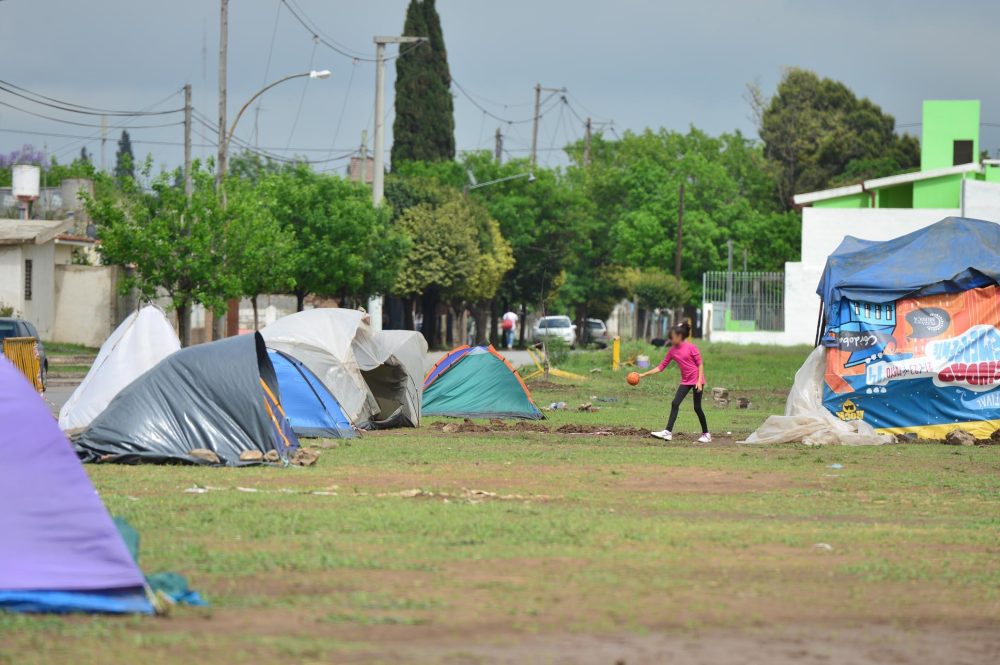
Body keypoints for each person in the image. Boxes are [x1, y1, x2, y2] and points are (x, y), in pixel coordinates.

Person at [638, 322, 711, 443]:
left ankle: (706, 434)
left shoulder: (691, 347)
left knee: (697, 407)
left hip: (697, 379)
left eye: (672, 336)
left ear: (679, 336)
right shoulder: (672, 351)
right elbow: (661, 367)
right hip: (686, 381)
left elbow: (700, 364)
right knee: (675, 403)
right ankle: (668, 432)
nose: (670, 339)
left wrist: (699, 381)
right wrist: (643, 374)